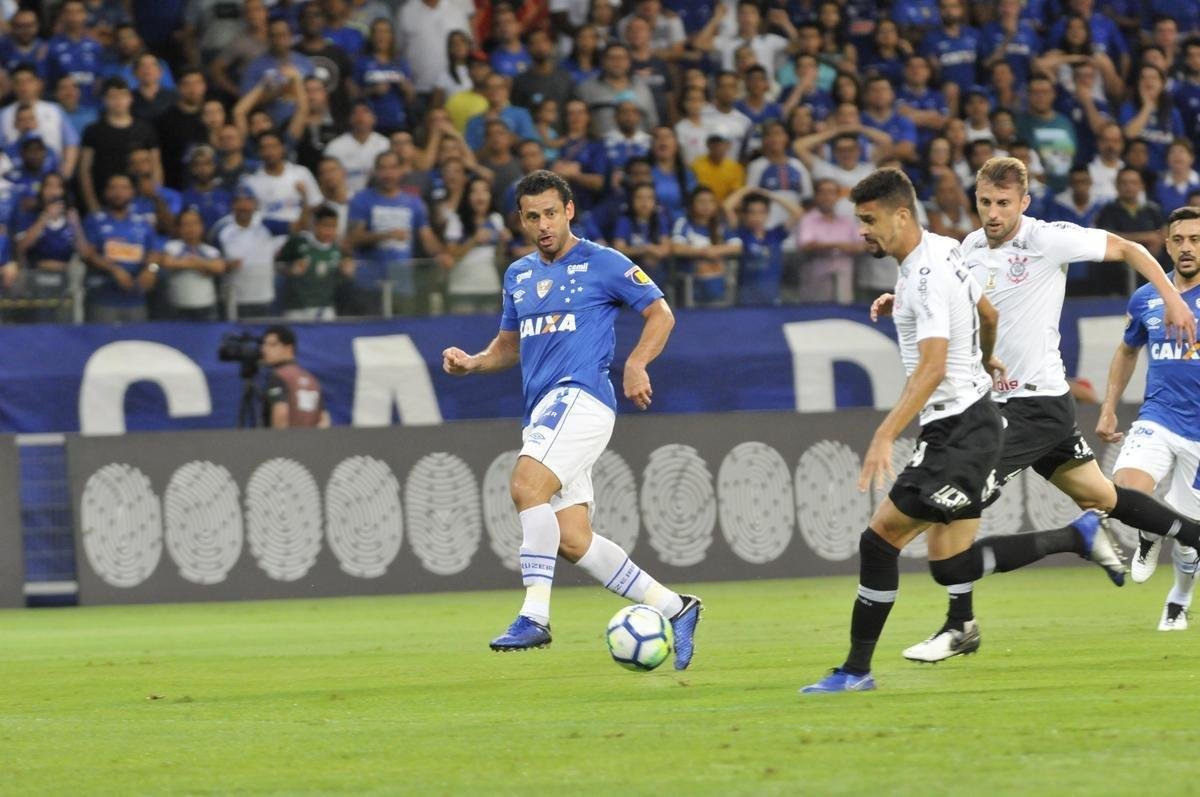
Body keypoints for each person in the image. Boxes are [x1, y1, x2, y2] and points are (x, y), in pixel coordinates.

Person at [801, 167, 1126, 694]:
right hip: (967, 424)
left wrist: (885, 433)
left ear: (900, 214)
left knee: (880, 540)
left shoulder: (926, 275)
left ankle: (856, 670)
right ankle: (1077, 535)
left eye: (868, 219)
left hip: (959, 432)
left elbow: (931, 368)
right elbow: (987, 310)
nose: (861, 231)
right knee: (950, 562)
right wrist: (986, 356)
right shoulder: (942, 249)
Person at [875, 158, 1200, 664]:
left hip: (1031, 405)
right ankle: (1190, 535)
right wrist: (903, 299)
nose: (993, 213)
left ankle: (961, 625)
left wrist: (1172, 301)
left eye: (1004, 203)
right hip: (1008, 402)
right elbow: (957, 299)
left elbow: (1131, 248)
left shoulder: (1049, 239)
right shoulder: (969, 248)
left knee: (955, 505)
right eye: (985, 203)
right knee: (1103, 494)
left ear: (1024, 203)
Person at [441, 169, 701, 662]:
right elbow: (508, 347)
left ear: (569, 212)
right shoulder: (518, 275)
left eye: (551, 214)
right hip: (544, 409)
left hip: (582, 399)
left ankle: (534, 616)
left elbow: (660, 313)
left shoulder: (603, 263)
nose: (543, 225)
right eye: (533, 216)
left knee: (524, 485)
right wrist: (474, 363)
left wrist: (637, 363)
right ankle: (675, 606)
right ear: (521, 220)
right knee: (574, 541)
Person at [1099, 206, 1200, 631]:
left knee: (1190, 543)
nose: (1187, 248)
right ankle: (1146, 535)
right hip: (1157, 416)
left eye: (1195, 239)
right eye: (1178, 240)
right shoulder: (1147, 297)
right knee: (1124, 489)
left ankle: (1178, 596)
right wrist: (1108, 405)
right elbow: (1126, 351)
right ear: (1166, 242)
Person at [81, 173, 160, 323]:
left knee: (135, 343)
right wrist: (114, 269)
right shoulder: (95, 220)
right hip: (103, 299)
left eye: (124, 188)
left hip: (136, 299)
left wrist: (151, 269)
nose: (119, 192)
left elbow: (155, 251)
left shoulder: (143, 222)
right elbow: (88, 254)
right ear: (105, 192)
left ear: (132, 192)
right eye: (113, 188)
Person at [441, 175, 508, 313]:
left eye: (484, 191)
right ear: (467, 196)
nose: (480, 196)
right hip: (462, 289)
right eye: (474, 192)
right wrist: (474, 240)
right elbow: (451, 255)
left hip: (490, 287)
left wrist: (502, 242)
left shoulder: (496, 219)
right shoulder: (456, 220)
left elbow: (499, 260)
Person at [212, 187, 280, 318]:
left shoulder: (267, 224)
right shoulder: (221, 228)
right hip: (234, 299)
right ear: (232, 205)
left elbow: (299, 226)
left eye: (247, 201)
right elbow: (212, 259)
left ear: (255, 204)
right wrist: (226, 265)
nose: (243, 205)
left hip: (264, 296)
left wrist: (305, 197)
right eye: (238, 201)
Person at [277, 204, 352, 320]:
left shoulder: (339, 248)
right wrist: (291, 270)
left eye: (333, 226)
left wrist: (346, 272)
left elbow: (342, 279)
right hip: (296, 308)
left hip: (325, 308)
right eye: (325, 226)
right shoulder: (298, 242)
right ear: (315, 225)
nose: (329, 231)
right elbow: (277, 265)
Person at [159, 207, 226, 320]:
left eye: (194, 224)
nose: (190, 228)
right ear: (179, 228)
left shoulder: (210, 250)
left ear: (202, 227)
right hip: (178, 307)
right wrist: (203, 265)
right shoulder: (172, 246)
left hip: (206, 307)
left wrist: (187, 263)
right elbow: (167, 262)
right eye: (185, 224)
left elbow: (220, 267)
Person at [261, 325, 331, 429]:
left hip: (285, 442)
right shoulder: (311, 380)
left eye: (272, 345)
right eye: (264, 344)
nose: (264, 349)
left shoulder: (279, 376)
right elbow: (324, 420)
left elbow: (281, 414)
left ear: (289, 348)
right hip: (311, 442)